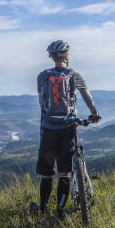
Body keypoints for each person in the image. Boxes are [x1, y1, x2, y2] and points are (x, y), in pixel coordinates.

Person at [35, 40, 100, 218]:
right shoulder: (75, 76)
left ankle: (42, 210)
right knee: (65, 172)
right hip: (68, 129)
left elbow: (42, 102)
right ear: (67, 55)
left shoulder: (42, 76)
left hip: (48, 129)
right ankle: (60, 210)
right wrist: (95, 113)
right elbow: (88, 98)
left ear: (52, 57)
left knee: (47, 174)